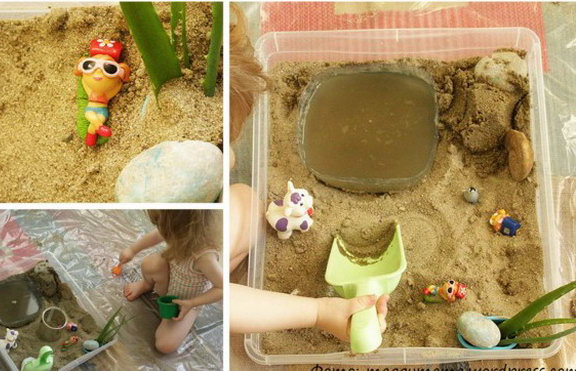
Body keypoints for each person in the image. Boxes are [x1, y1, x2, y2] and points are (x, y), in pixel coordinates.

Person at [228, 4, 389, 342]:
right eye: (221, 146)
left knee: (244, 201)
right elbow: (225, 306)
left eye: (225, 143)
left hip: (195, 254)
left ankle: (214, 269)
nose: (231, 159)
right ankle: (212, 273)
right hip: (202, 279)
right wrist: (316, 311)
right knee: (245, 204)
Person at [119, 210, 223, 354]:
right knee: (151, 263)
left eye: (162, 226)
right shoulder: (176, 231)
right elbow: (157, 234)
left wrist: (192, 303)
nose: (161, 230)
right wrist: (132, 249)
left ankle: (188, 312)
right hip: (168, 278)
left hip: (185, 302)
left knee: (165, 345)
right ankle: (146, 285)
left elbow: (222, 288)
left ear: (180, 229)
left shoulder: (205, 257)